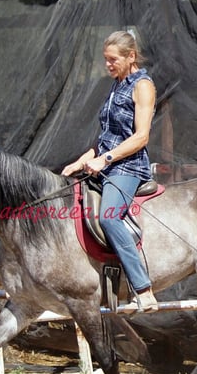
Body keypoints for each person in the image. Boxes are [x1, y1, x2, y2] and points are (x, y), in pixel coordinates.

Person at [62, 30, 158, 312]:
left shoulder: (142, 86)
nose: (108, 65)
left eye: (112, 60)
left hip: (128, 167)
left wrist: (105, 160)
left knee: (109, 217)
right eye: (106, 60)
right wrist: (83, 159)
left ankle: (143, 288)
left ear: (131, 56)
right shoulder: (117, 84)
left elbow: (141, 137)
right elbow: (109, 136)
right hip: (108, 162)